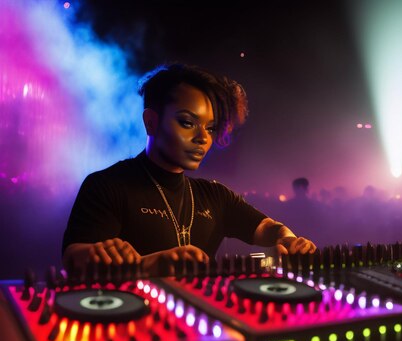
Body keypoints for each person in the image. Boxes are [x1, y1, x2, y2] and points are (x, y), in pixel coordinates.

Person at [62, 64, 316, 275]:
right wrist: (149, 264)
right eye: (187, 122)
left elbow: (267, 228)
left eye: (210, 127)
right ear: (151, 121)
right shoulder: (107, 185)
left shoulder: (215, 196)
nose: (203, 138)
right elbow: (74, 258)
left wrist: (286, 238)